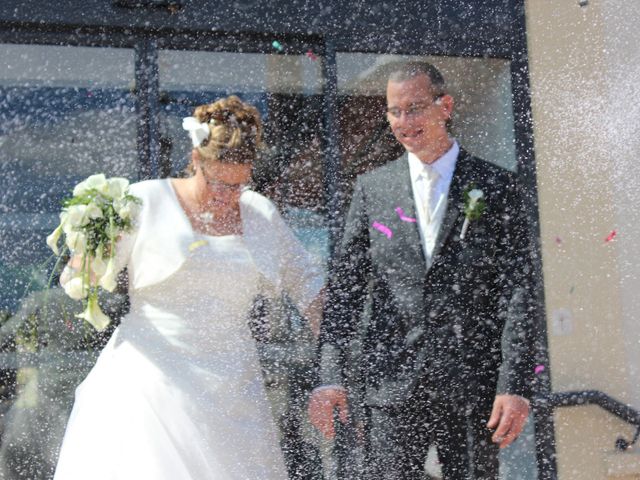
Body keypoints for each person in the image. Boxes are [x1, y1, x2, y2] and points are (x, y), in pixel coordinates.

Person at [54, 95, 324, 479]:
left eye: (238, 185)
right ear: (195, 159)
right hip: (149, 380)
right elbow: (79, 281)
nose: (226, 196)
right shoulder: (144, 201)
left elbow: (310, 287)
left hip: (234, 388)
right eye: (217, 182)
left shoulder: (259, 212)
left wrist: (334, 362)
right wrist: (91, 245)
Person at [308, 61, 535, 479]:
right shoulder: (372, 188)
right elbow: (345, 291)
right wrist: (329, 376)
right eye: (394, 111)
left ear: (444, 106)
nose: (403, 122)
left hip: (472, 387)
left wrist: (514, 384)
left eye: (414, 108)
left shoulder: (498, 186)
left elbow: (519, 293)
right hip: (390, 385)